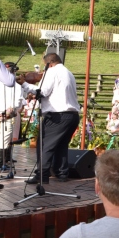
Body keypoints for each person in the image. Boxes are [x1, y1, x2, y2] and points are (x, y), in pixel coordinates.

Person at [27, 53, 80, 184]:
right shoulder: (69, 73)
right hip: (72, 115)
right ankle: (61, 173)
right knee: (61, 145)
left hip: (58, 115)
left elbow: (43, 91)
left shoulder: (52, 71)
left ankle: (42, 175)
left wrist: (25, 85)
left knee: (45, 145)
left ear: (49, 64)